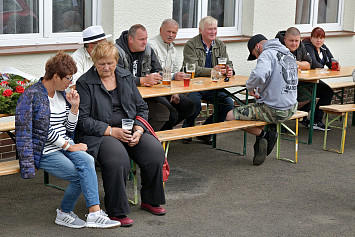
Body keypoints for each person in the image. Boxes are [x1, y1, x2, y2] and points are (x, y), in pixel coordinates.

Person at [15, 52, 120, 229]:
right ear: (55, 76)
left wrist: (74, 107)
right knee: (80, 174)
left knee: (87, 160)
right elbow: (43, 129)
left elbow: (68, 128)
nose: (70, 82)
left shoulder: (61, 94)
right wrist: (67, 146)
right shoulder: (32, 95)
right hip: (44, 151)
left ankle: (94, 213)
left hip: (63, 146)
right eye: (68, 78)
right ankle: (65, 212)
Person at [75, 42, 166, 227]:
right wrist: (111, 131)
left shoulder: (125, 77)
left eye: (110, 63)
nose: (106, 68)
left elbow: (141, 107)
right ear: (94, 62)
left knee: (155, 152)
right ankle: (117, 211)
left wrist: (139, 129)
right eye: (101, 64)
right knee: (118, 161)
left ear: (116, 61)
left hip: (131, 129)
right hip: (103, 134)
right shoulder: (85, 83)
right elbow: (82, 120)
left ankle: (150, 199)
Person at [226, 34, 298, 165]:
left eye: (255, 54)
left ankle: (264, 136)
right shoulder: (288, 54)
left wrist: (250, 87)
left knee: (230, 116)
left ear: (257, 46)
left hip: (275, 110)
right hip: (291, 107)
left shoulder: (267, 54)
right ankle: (260, 142)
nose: (257, 58)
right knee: (257, 112)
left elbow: (259, 74)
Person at [182, 16, 234, 145]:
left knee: (228, 103)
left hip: (213, 86)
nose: (213, 32)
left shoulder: (220, 44)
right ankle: (187, 130)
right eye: (210, 29)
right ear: (201, 30)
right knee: (194, 103)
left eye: (215, 29)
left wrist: (230, 70)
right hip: (195, 85)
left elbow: (228, 63)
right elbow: (191, 69)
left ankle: (206, 132)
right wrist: (212, 71)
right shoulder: (191, 44)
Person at [276, 27, 333, 131]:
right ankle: (280, 122)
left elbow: (308, 64)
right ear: (285, 40)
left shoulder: (302, 46)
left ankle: (315, 121)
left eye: (296, 41)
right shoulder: (277, 47)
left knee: (326, 92)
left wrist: (295, 63)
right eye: (291, 41)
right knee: (308, 96)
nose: (294, 44)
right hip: (281, 82)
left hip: (301, 80)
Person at [115, 24, 170, 131]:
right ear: (130, 39)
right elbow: (118, 77)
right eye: (141, 39)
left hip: (147, 94)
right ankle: (143, 138)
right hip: (125, 97)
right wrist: (143, 80)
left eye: (146, 39)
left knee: (174, 111)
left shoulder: (148, 49)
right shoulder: (117, 51)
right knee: (163, 113)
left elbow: (159, 70)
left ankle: (155, 140)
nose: (145, 42)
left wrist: (154, 78)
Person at [149, 19, 196, 130]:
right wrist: (174, 76)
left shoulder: (173, 49)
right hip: (155, 91)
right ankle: (159, 136)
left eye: (174, 33)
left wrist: (176, 92)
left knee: (190, 106)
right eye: (168, 31)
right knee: (172, 113)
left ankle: (165, 130)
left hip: (169, 89)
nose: (171, 35)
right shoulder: (151, 46)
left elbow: (175, 70)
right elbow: (155, 73)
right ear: (161, 30)